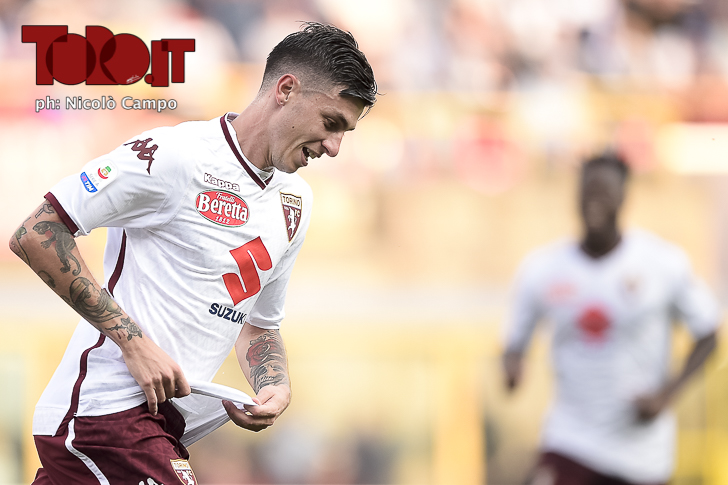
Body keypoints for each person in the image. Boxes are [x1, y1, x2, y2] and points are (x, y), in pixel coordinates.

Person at [9, 22, 377, 484]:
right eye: (331, 123)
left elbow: (258, 325)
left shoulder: (294, 202)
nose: (335, 147)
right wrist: (134, 343)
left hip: (166, 425)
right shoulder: (174, 155)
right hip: (106, 415)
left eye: (345, 132)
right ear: (286, 90)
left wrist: (274, 384)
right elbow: (36, 232)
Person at [502, 153, 720, 485]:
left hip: (640, 452)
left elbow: (708, 334)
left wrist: (667, 394)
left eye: (604, 192)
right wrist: (512, 364)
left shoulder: (662, 263)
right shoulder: (543, 268)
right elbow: (515, 341)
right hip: (570, 437)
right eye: (587, 192)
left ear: (623, 197)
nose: (594, 201)